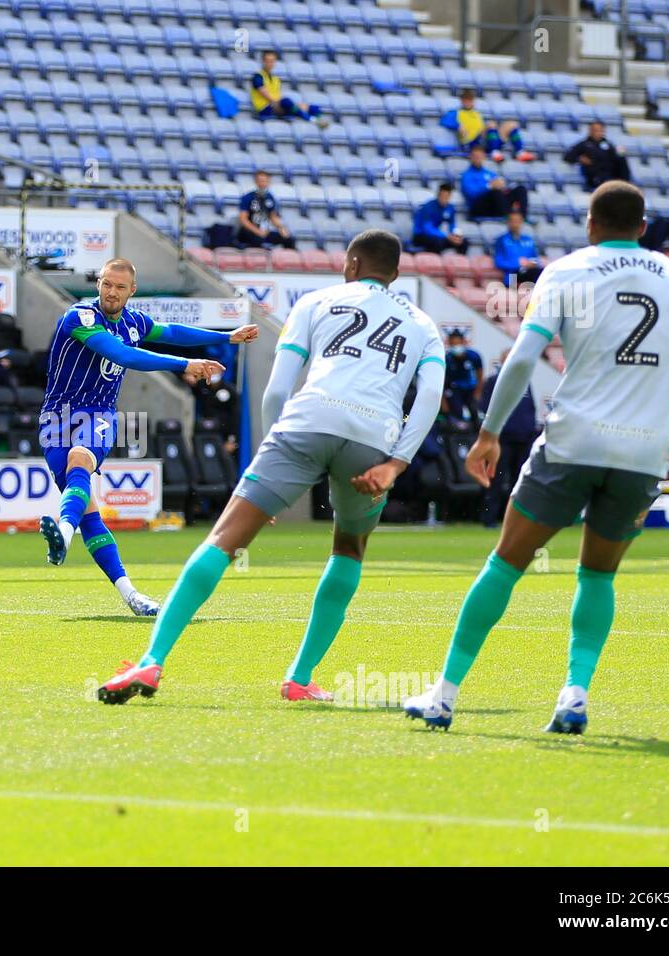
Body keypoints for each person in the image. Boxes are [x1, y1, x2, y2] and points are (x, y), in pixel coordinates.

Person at [404, 181, 669, 734]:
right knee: (598, 576)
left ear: (590, 224)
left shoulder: (567, 272)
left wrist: (488, 433)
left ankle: (444, 695)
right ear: (644, 227)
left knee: (505, 563)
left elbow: (522, 359)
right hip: (642, 452)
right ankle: (574, 693)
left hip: (573, 441)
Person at [96, 231, 446, 704]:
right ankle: (299, 679)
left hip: (307, 422)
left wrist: (267, 464)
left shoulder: (315, 302)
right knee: (349, 548)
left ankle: (152, 661)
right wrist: (397, 464)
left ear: (352, 264)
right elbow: (428, 399)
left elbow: (277, 392)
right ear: (396, 274)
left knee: (224, 538)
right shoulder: (423, 325)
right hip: (374, 440)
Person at [37, 257, 256, 616]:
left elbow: (172, 331)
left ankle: (62, 531)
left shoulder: (135, 321)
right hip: (57, 419)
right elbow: (122, 354)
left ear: (131, 291)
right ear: (99, 284)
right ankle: (131, 595)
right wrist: (185, 364)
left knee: (81, 459)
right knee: (90, 515)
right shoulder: (81, 317)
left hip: (99, 416)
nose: (111, 292)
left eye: (119, 287)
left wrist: (225, 337)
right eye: (107, 284)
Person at [478, 351, 537, 527]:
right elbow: (485, 408)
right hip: (502, 440)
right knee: (495, 479)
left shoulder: (525, 381)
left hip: (523, 438)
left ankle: (514, 519)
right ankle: (488, 518)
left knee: (519, 482)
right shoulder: (493, 381)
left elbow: (530, 408)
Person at [441, 89, 535, 162]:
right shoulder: (456, 113)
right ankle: (493, 152)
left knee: (511, 124)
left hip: (484, 141)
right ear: (462, 101)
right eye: (466, 100)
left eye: (470, 100)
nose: (468, 102)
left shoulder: (476, 113)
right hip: (471, 144)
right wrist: (458, 126)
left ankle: (520, 152)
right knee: (491, 124)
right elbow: (444, 121)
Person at [249, 51, 322, 123]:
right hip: (265, 108)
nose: (270, 63)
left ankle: (318, 122)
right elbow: (267, 96)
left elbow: (278, 95)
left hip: (279, 106)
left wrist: (295, 106)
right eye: (268, 61)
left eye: (272, 61)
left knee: (313, 108)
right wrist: (286, 105)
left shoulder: (275, 78)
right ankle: (308, 119)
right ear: (263, 61)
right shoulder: (258, 77)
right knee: (286, 102)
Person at [462, 145, 530, 220]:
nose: (478, 158)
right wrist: (489, 186)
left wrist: (502, 186)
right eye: (475, 156)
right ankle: (508, 218)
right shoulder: (467, 175)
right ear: (471, 157)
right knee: (495, 192)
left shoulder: (489, 173)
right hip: (479, 207)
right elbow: (472, 194)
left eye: (480, 156)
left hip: (496, 204)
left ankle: (522, 217)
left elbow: (499, 186)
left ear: (483, 157)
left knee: (520, 189)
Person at [564, 121, 631, 191]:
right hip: (595, 175)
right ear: (590, 131)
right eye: (595, 130)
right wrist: (579, 159)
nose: (598, 133)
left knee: (621, 158)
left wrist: (620, 154)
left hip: (610, 174)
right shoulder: (584, 144)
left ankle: (625, 184)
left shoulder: (608, 144)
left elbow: (615, 159)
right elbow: (567, 157)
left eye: (600, 130)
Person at [236, 170, 296, 250]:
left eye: (264, 181)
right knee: (260, 243)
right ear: (256, 182)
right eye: (260, 181)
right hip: (249, 231)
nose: (262, 183)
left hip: (264, 231)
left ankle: (289, 260)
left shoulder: (270, 197)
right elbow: (243, 219)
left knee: (288, 239)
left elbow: (273, 216)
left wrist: (281, 228)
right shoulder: (248, 197)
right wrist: (257, 231)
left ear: (268, 182)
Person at [412, 183, 468, 254]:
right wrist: (446, 236)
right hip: (421, 236)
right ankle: (434, 263)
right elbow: (427, 228)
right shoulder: (428, 207)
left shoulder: (450, 208)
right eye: (442, 196)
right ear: (438, 195)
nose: (444, 199)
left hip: (438, 236)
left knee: (463, 242)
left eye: (447, 197)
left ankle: (460, 262)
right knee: (438, 242)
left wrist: (455, 235)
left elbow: (452, 224)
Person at [443, 330, 483, 423]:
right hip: (455, 390)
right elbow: (442, 383)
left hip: (471, 390)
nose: (456, 346)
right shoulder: (447, 359)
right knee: (457, 415)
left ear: (463, 342)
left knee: (475, 413)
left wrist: (477, 394)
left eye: (458, 343)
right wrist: (444, 404)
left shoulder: (474, 356)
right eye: (453, 344)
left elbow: (480, 377)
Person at [493, 210, 542, 285]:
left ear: (522, 222)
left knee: (543, 273)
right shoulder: (501, 240)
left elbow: (536, 259)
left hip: (529, 272)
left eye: (518, 221)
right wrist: (518, 264)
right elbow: (498, 262)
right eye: (513, 221)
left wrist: (531, 263)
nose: (515, 224)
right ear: (508, 222)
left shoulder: (528, 240)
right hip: (512, 275)